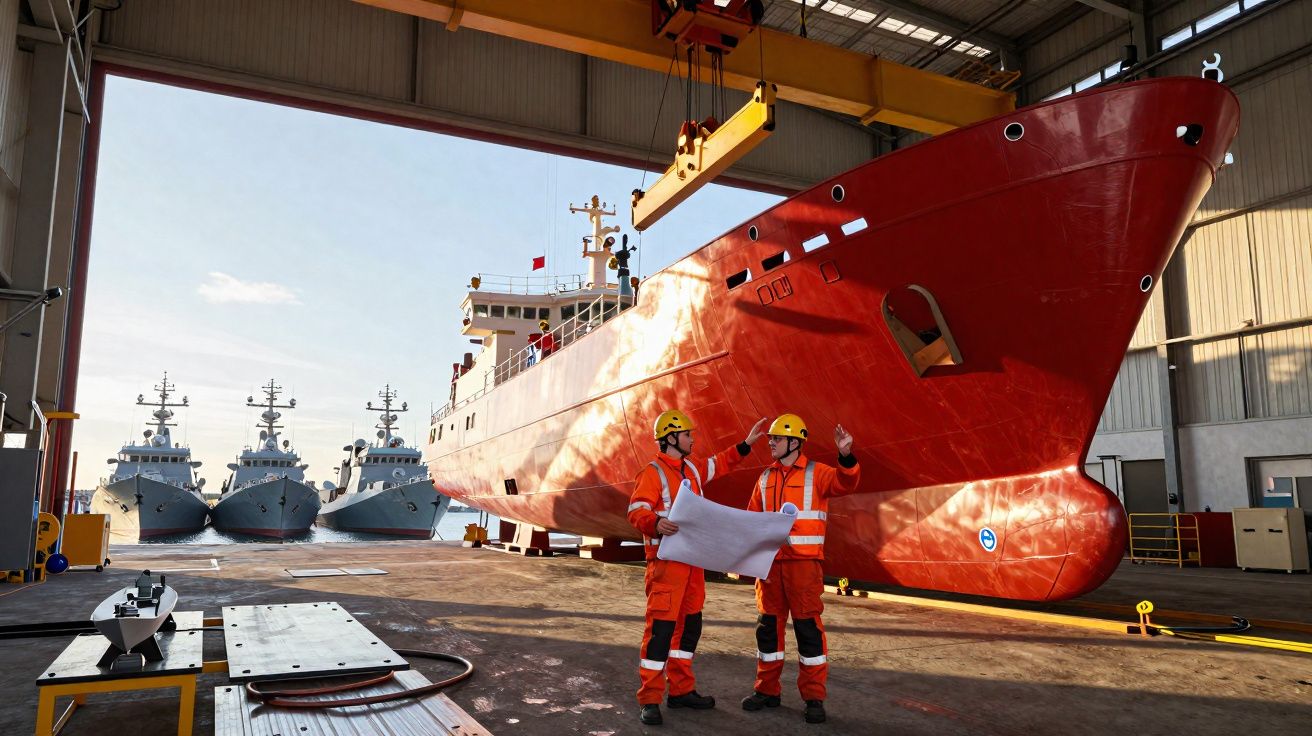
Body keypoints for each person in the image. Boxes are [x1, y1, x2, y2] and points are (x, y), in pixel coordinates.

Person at [628, 410, 768, 726]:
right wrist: (655, 523)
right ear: (671, 437)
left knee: (689, 629)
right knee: (660, 633)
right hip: (666, 566)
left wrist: (747, 444)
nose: (693, 438)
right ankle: (650, 699)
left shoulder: (691, 468)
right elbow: (636, 510)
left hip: (693, 566)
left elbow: (720, 463)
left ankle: (680, 691)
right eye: (688, 434)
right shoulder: (651, 473)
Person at [742, 413, 859, 725]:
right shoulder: (765, 478)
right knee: (767, 631)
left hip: (804, 567)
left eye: (776, 439)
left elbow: (846, 483)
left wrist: (845, 455)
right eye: (770, 440)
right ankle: (767, 691)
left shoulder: (817, 473)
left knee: (808, 631)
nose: (771, 444)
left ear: (795, 442)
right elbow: (753, 519)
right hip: (770, 567)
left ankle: (814, 698)